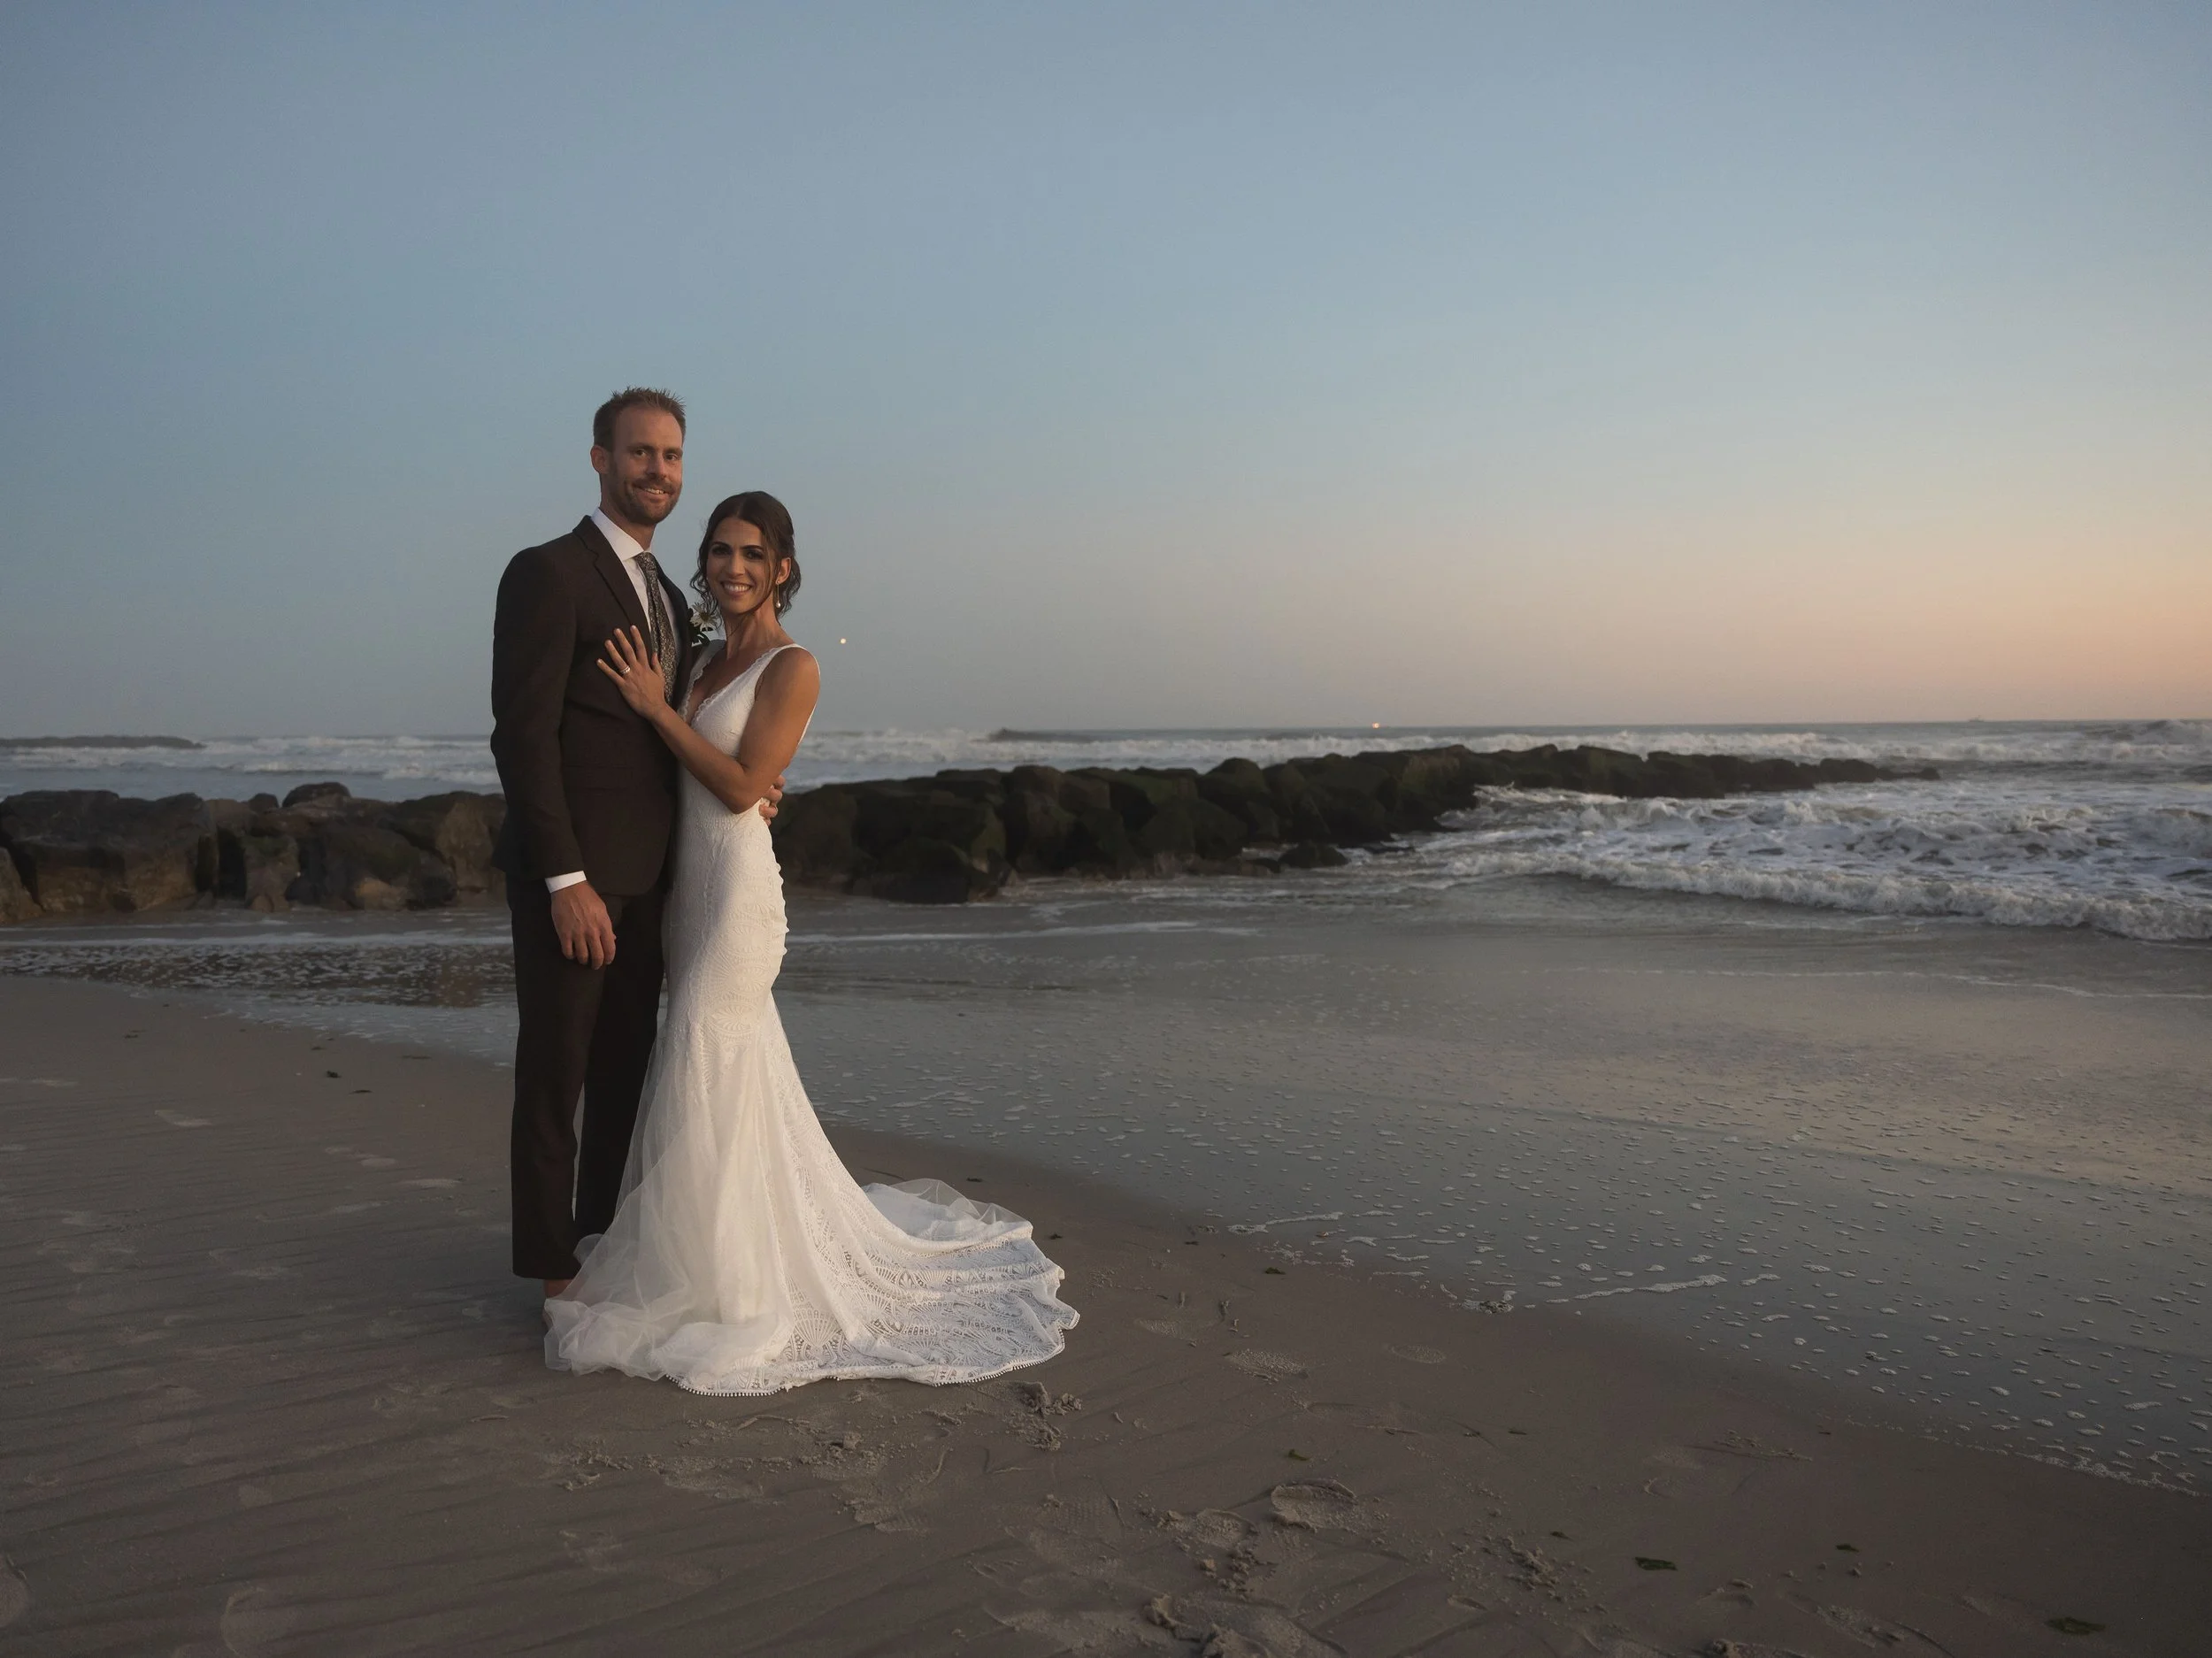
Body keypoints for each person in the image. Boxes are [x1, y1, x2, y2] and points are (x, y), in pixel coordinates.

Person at [544, 490, 1075, 1393]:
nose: (733, 567)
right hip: (687, 893)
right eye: (718, 551)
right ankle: (707, 1256)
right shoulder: (701, 656)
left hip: (741, 901)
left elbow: (746, 784)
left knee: (705, 1052)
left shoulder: (794, 666)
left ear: (783, 565)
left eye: (753, 553)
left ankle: (730, 1285)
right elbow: (681, 774)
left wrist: (656, 709)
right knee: (709, 1071)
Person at [489, 388, 780, 1296]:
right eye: (641, 453)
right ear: (599, 459)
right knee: (556, 1077)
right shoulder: (549, 572)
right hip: (579, 879)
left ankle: (600, 1242)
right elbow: (522, 735)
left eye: (673, 456)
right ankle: (548, 1273)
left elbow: (680, 729)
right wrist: (564, 877)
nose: (659, 471)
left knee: (623, 1077)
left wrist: (754, 781)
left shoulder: (665, 595)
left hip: (659, 880)